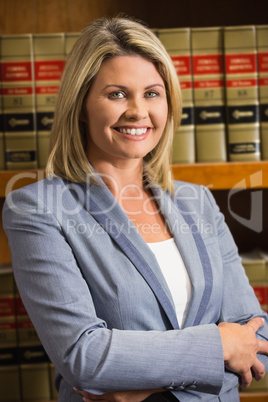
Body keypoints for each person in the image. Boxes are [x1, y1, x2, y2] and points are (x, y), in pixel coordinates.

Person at [3, 16, 268, 402]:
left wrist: (137, 383)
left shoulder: (197, 202)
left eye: (152, 93)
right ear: (80, 105)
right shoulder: (38, 209)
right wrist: (218, 346)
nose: (137, 111)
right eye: (116, 94)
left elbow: (256, 337)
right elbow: (85, 356)